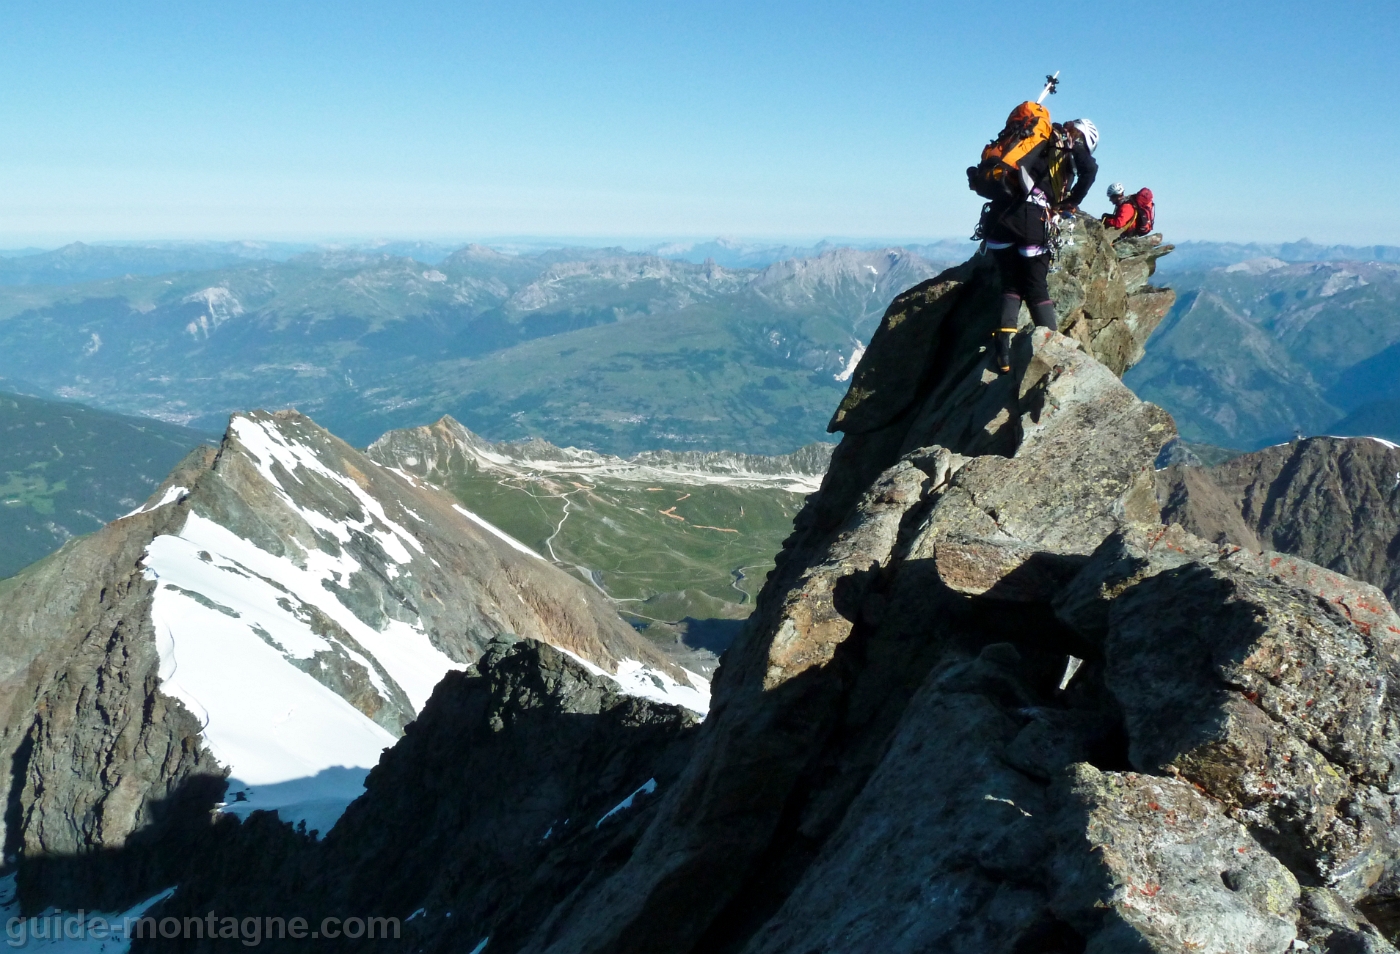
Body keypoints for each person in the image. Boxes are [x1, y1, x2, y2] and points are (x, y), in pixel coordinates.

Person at [982, 118, 1099, 373]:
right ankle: (1055, 355)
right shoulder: (1068, 142)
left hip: (997, 217)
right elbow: (1089, 171)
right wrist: (1072, 201)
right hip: (1031, 218)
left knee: (1011, 283)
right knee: (1036, 288)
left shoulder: (1032, 138)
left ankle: (1003, 354)